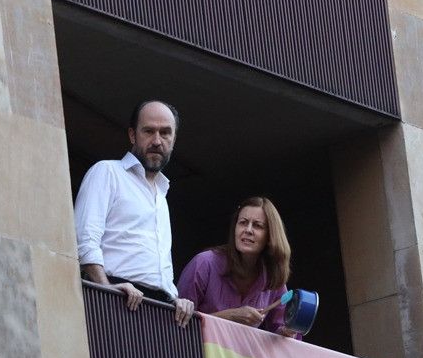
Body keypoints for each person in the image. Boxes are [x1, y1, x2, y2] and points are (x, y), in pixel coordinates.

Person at [73, 100, 195, 327]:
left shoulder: (162, 193)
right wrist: (106, 288)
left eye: (165, 133)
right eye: (149, 131)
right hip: (117, 297)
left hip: (162, 310)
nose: (157, 141)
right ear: (132, 135)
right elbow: (85, 240)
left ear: (174, 140)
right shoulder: (108, 172)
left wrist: (176, 298)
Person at [177, 197, 296, 336]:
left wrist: (287, 333)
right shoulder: (204, 263)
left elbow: (281, 332)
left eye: (257, 225)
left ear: (271, 237)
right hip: (194, 354)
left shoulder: (273, 278)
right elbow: (177, 321)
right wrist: (231, 316)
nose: (248, 230)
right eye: (243, 223)